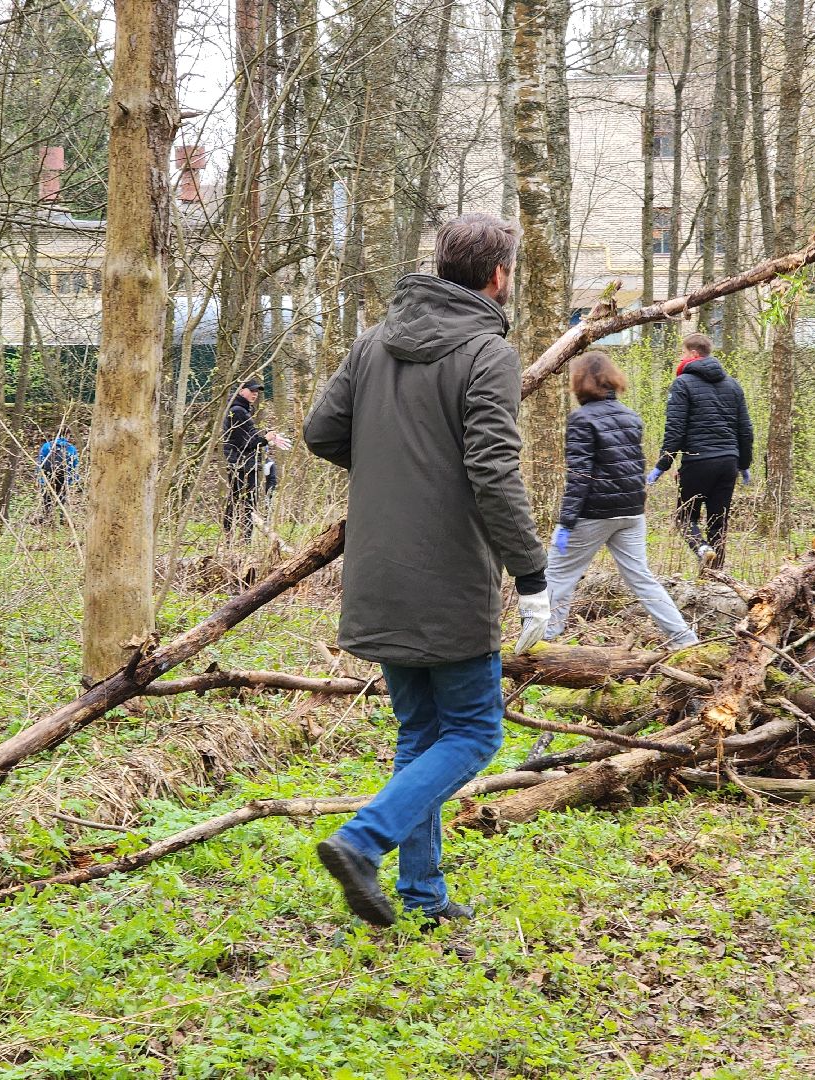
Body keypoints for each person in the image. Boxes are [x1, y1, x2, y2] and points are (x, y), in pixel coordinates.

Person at [303, 212, 549, 927]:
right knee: (475, 733)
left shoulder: (375, 341)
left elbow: (322, 432)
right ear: (498, 276)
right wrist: (531, 574)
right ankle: (362, 838)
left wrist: (391, 472)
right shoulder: (486, 352)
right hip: (446, 580)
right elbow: (494, 474)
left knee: (420, 736)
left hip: (378, 572)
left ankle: (423, 895)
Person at [544, 351, 697, 649]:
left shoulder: (580, 419)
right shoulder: (631, 416)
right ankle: (684, 639)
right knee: (642, 578)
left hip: (594, 512)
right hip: (631, 512)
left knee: (558, 575)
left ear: (579, 384)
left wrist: (566, 522)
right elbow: (635, 465)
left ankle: (544, 640)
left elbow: (580, 475)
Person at [648, 332, 753, 570]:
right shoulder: (733, 384)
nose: (681, 358)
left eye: (683, 353)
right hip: (728, 462)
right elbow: (745, 429)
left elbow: (675, 429)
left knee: (684, 518)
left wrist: (661, 466)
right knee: (718, 522)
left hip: (698, 461)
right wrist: (744, 464)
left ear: (693, 354)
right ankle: (716, 577)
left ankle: (703, 549)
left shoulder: (682, 383)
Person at [222, 378, 288, 540]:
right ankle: (241, 541)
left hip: (244, 463)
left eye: (257, 392)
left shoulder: (241, 410)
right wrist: (265, 439)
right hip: (242, 464)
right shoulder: (237, 411)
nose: (255, 394)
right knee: (245, 502)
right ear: (241, 391)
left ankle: (234, 539)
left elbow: (249, 436)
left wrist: (268, 438)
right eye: (252, 391)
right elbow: (247, 442)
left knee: (239, 500)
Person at [36, 436, 79, 524]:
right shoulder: (71, 448)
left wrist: (39, 478)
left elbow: (41, 462)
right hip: (63, 479)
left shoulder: (46, 446)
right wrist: (74, 480)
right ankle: (61, 518)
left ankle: (48, 518)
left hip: (48, 478)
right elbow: (74, 465)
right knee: (61, 499)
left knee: (47, 499)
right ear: (68, 435)